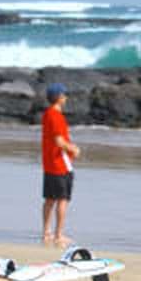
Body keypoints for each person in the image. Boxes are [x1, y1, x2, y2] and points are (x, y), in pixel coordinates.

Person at [41, 82, 80, 247]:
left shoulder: (47, 114)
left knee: (50, 199)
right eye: (64, 95)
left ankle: (46, 232)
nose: (66, 97)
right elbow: (59, 141)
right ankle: (58, 235)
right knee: (62, 199)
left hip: (49, 163)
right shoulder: (56, 116)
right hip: (60, 164)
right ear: (58, 98)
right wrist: (74, 149)